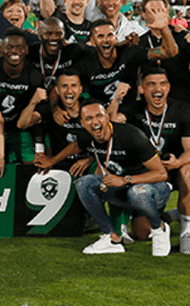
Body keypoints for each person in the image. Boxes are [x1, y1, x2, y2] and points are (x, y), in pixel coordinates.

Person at [52, 100, 171, 256]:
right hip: (121, 189)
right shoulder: (87, 137)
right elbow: (76, 146)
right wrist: (51, 161)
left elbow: (162, 173)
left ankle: (159, 228)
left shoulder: (132, 136)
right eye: (88, 119)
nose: (95, 122)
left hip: (152, 189)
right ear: (82, 123)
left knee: (137, 194)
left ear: (107, 117)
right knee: (84, 184)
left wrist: (125, 180)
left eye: (99, 116)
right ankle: (112, 238)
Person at [123, 67, 190, 254]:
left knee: (189, 172)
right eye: (151, 84)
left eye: (163, 84)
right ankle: (167, 217)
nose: (158, 89)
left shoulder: (184, 111)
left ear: (169, 87)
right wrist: (117, 98)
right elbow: (110, 122)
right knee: (141, 233)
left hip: (176, 167)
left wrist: (178, 162)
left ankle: (186, 234)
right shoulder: (133, 111)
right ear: (141, 89)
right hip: (150, 172)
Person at [0, 28, 45, 180]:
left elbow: (39, 116)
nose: (15, 51)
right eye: (9, 47)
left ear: (26, 50)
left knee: (34, 169)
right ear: (1, 49)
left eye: (19, 47)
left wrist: (40, 150)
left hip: (18, 128)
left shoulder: (34, 75)